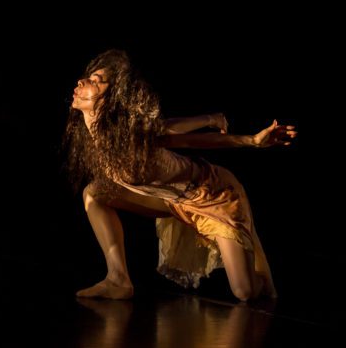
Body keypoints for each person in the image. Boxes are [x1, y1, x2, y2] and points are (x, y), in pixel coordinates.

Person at [66, 50, 296, 301]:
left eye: (97, 80)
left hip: (216, 197)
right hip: (174, 202)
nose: (83, 82)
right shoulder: (104, 140)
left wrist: (249, 140)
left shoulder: (135, 134)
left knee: (245, 292)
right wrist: (211, 118)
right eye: (89, 78)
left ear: (111, 99)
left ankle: (264, 277)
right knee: (94, 193)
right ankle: (118, 279)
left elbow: (187, 138)